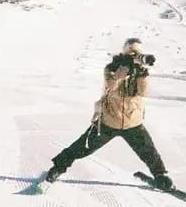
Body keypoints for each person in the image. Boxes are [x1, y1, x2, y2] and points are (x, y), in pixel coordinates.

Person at [44, 37, 172, 189]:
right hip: (109, 121)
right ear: (124, 53)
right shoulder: (111, 68)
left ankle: (160, 175)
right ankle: (58, 168)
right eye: (131, 53)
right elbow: (111, 87)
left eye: (137, 54)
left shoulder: (140, 71)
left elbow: (143, 92)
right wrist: (123, 71)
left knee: (148, 151)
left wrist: (142, 73)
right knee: (82, 147)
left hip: (133, 122)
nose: (134, 57)